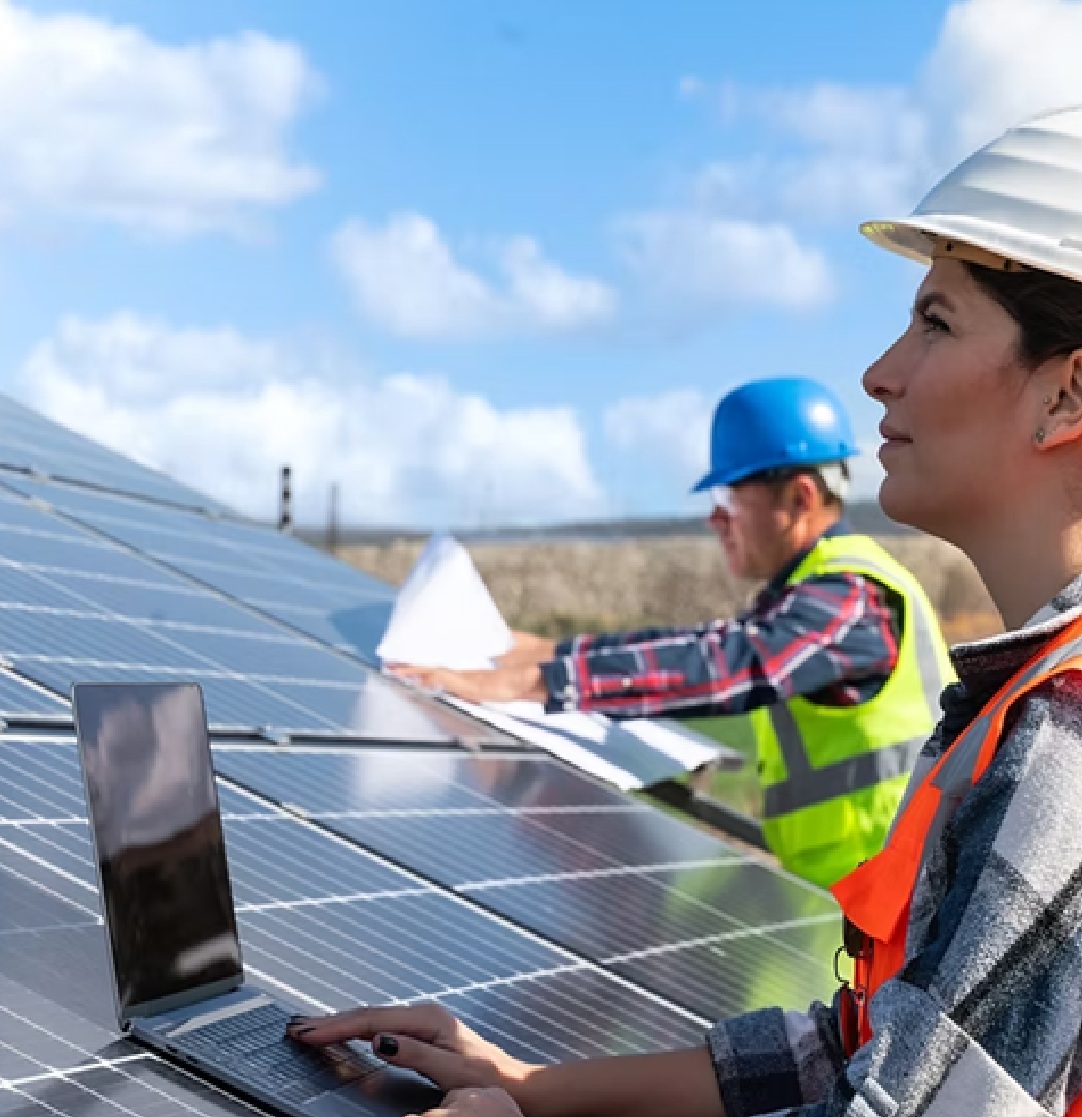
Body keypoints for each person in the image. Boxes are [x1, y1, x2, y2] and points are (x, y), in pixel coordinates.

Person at [298, 103, 1082, 1117]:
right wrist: (534, 1085)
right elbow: (864, 1044)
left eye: (934, 321)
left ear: (1067, 394)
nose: (879, 373)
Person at [392, 375, 954, 888]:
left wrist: (541, 681)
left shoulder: (850, 597)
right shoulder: (818, 591)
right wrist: (549, 650)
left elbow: (728, 664)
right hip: (862, 893)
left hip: (900, 899)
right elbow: (704, 645)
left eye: (727, 497)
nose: (715, 519)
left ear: (799, 498)